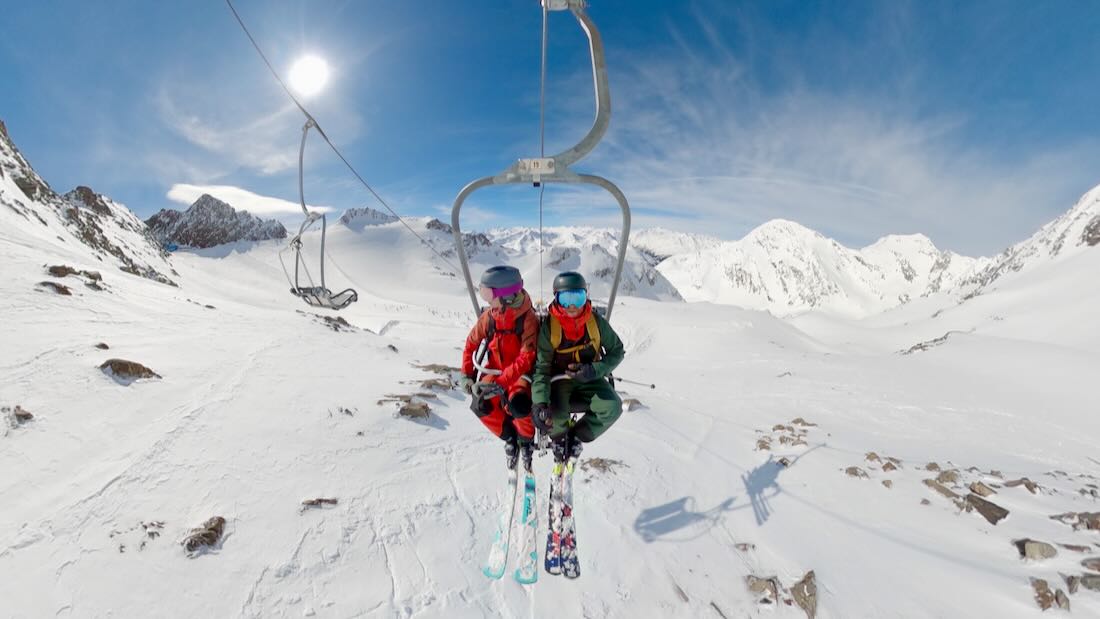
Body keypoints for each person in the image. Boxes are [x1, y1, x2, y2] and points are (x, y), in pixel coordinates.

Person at [531, 271, 625, 462]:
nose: (572, 306)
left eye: (578, 298)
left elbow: (617, 350)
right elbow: (541, 367)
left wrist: (595, 370)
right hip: (559, 380)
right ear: (556, 299)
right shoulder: (551, 328)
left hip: (589, 378)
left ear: (586, 297)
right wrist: (539, 402)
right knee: (554, 418)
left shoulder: (595, 323)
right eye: (566, 299)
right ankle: (559, 440)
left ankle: (576, 437)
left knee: (612, 407)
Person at [460, 265, 541, 471]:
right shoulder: (490, 317)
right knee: (480, 404)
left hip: (519, 375)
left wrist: (502, 382)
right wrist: (467, 374)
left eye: (489, 294)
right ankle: (510, 439)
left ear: (505, 295)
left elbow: (526, 357)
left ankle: (526, 441)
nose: (486, 300)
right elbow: (471, 344)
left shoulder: (527, 319)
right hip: (495, 370)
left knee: (519, 405)